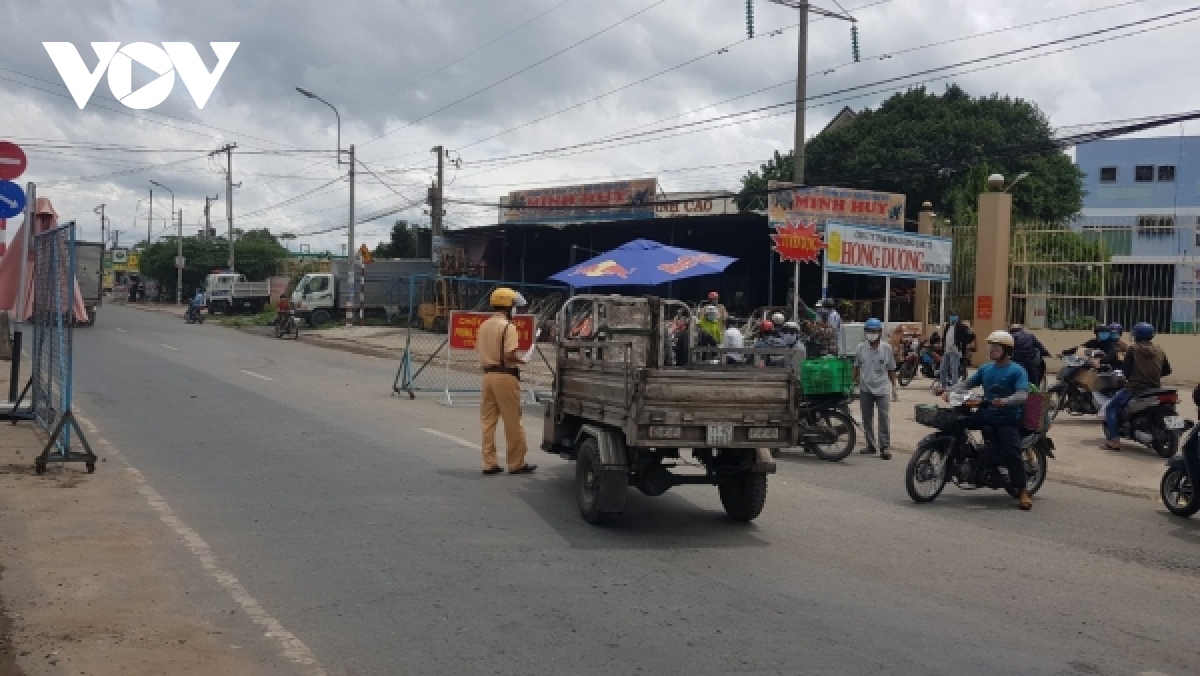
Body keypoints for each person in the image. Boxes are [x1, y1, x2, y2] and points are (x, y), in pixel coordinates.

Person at [943, 330, 1033, 510]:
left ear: (1006, 350)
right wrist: (948, 389)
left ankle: (1022, 490)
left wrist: (1006, 401)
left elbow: (1023, 394)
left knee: (1012, 453)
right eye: (990, 347)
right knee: (957, 423)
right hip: (986, 414)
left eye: (996, 348)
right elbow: (967, 384)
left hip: (1007, 419)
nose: (991, 351)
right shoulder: (986, 368)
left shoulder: (1017, 370)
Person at [476, 287, 536, 475]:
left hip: (487, 377)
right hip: (505, 377)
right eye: (515, 307)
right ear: (509, 306)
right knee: (513, 422)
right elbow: (509, 355)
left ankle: (489, 463)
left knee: (488, 422)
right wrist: (523, 360)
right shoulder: (508, 327)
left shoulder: (484, 325)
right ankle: (516, 463)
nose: (516, 311)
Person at [1104, 322, 1172, 450]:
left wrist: (1132, 379)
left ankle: (1114, 440)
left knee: (1111, 408)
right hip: (1155, 388)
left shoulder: (1133, 349)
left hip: (1135, 388)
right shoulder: (1159, 349)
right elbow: (1167, 370)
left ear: (1136, 335)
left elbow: (1126, 369)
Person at [854, 318, 899, 459]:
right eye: (868, 331)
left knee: (883, 418)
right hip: (865, 388)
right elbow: (856, 368)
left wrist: (894, 386)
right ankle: (870, 445)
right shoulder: (860, 348)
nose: (871, 334)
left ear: (879, 333)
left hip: (882, 389)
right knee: (867, 418)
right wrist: (852, 383)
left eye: (874, 331)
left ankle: (885, 446)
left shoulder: (886, 348)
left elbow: (891, 369)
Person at [940, 312, 973, 387]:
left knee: (954, 370)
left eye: (954, 317)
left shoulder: (962, 327)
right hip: (947, 350)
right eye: (951, 317)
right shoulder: (948, 326)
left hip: (955, 351)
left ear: (957, 318)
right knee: (943, 369)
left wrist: (960, 342)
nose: (952, 318)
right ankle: (943, 386)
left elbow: (970, 337)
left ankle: (954, 387)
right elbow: (944, 337)